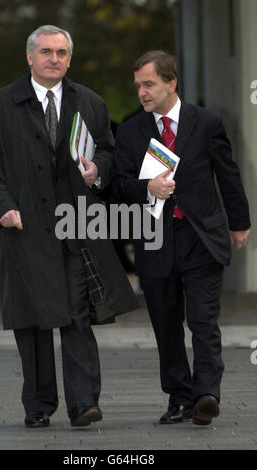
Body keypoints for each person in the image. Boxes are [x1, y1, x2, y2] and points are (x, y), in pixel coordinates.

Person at [0, 25, 138, 428]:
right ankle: (39, 405)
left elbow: (108, 153)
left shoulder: (91, 102)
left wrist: (98, 169)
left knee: (77, 314)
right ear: (29, 57)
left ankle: (84, 404)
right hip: (24, 228)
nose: (55, 59)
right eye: (46, 51)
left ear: (69, 58)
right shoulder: (0, 105)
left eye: (62, 52)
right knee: (32, 320)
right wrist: (3, 208)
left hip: (76, 227)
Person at [112, 50, 250, 426]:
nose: (142, 92)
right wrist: (148, 187)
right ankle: (179, 397)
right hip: (155, 238)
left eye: (149, 84)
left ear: (171, 83)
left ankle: (207, 394)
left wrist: (239, 223)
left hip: (200, 235)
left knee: (204, 320)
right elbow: (119, 184)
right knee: (166, 322)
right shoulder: (129, 131)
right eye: (138, 85)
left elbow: (227, 175)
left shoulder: (205, 123)